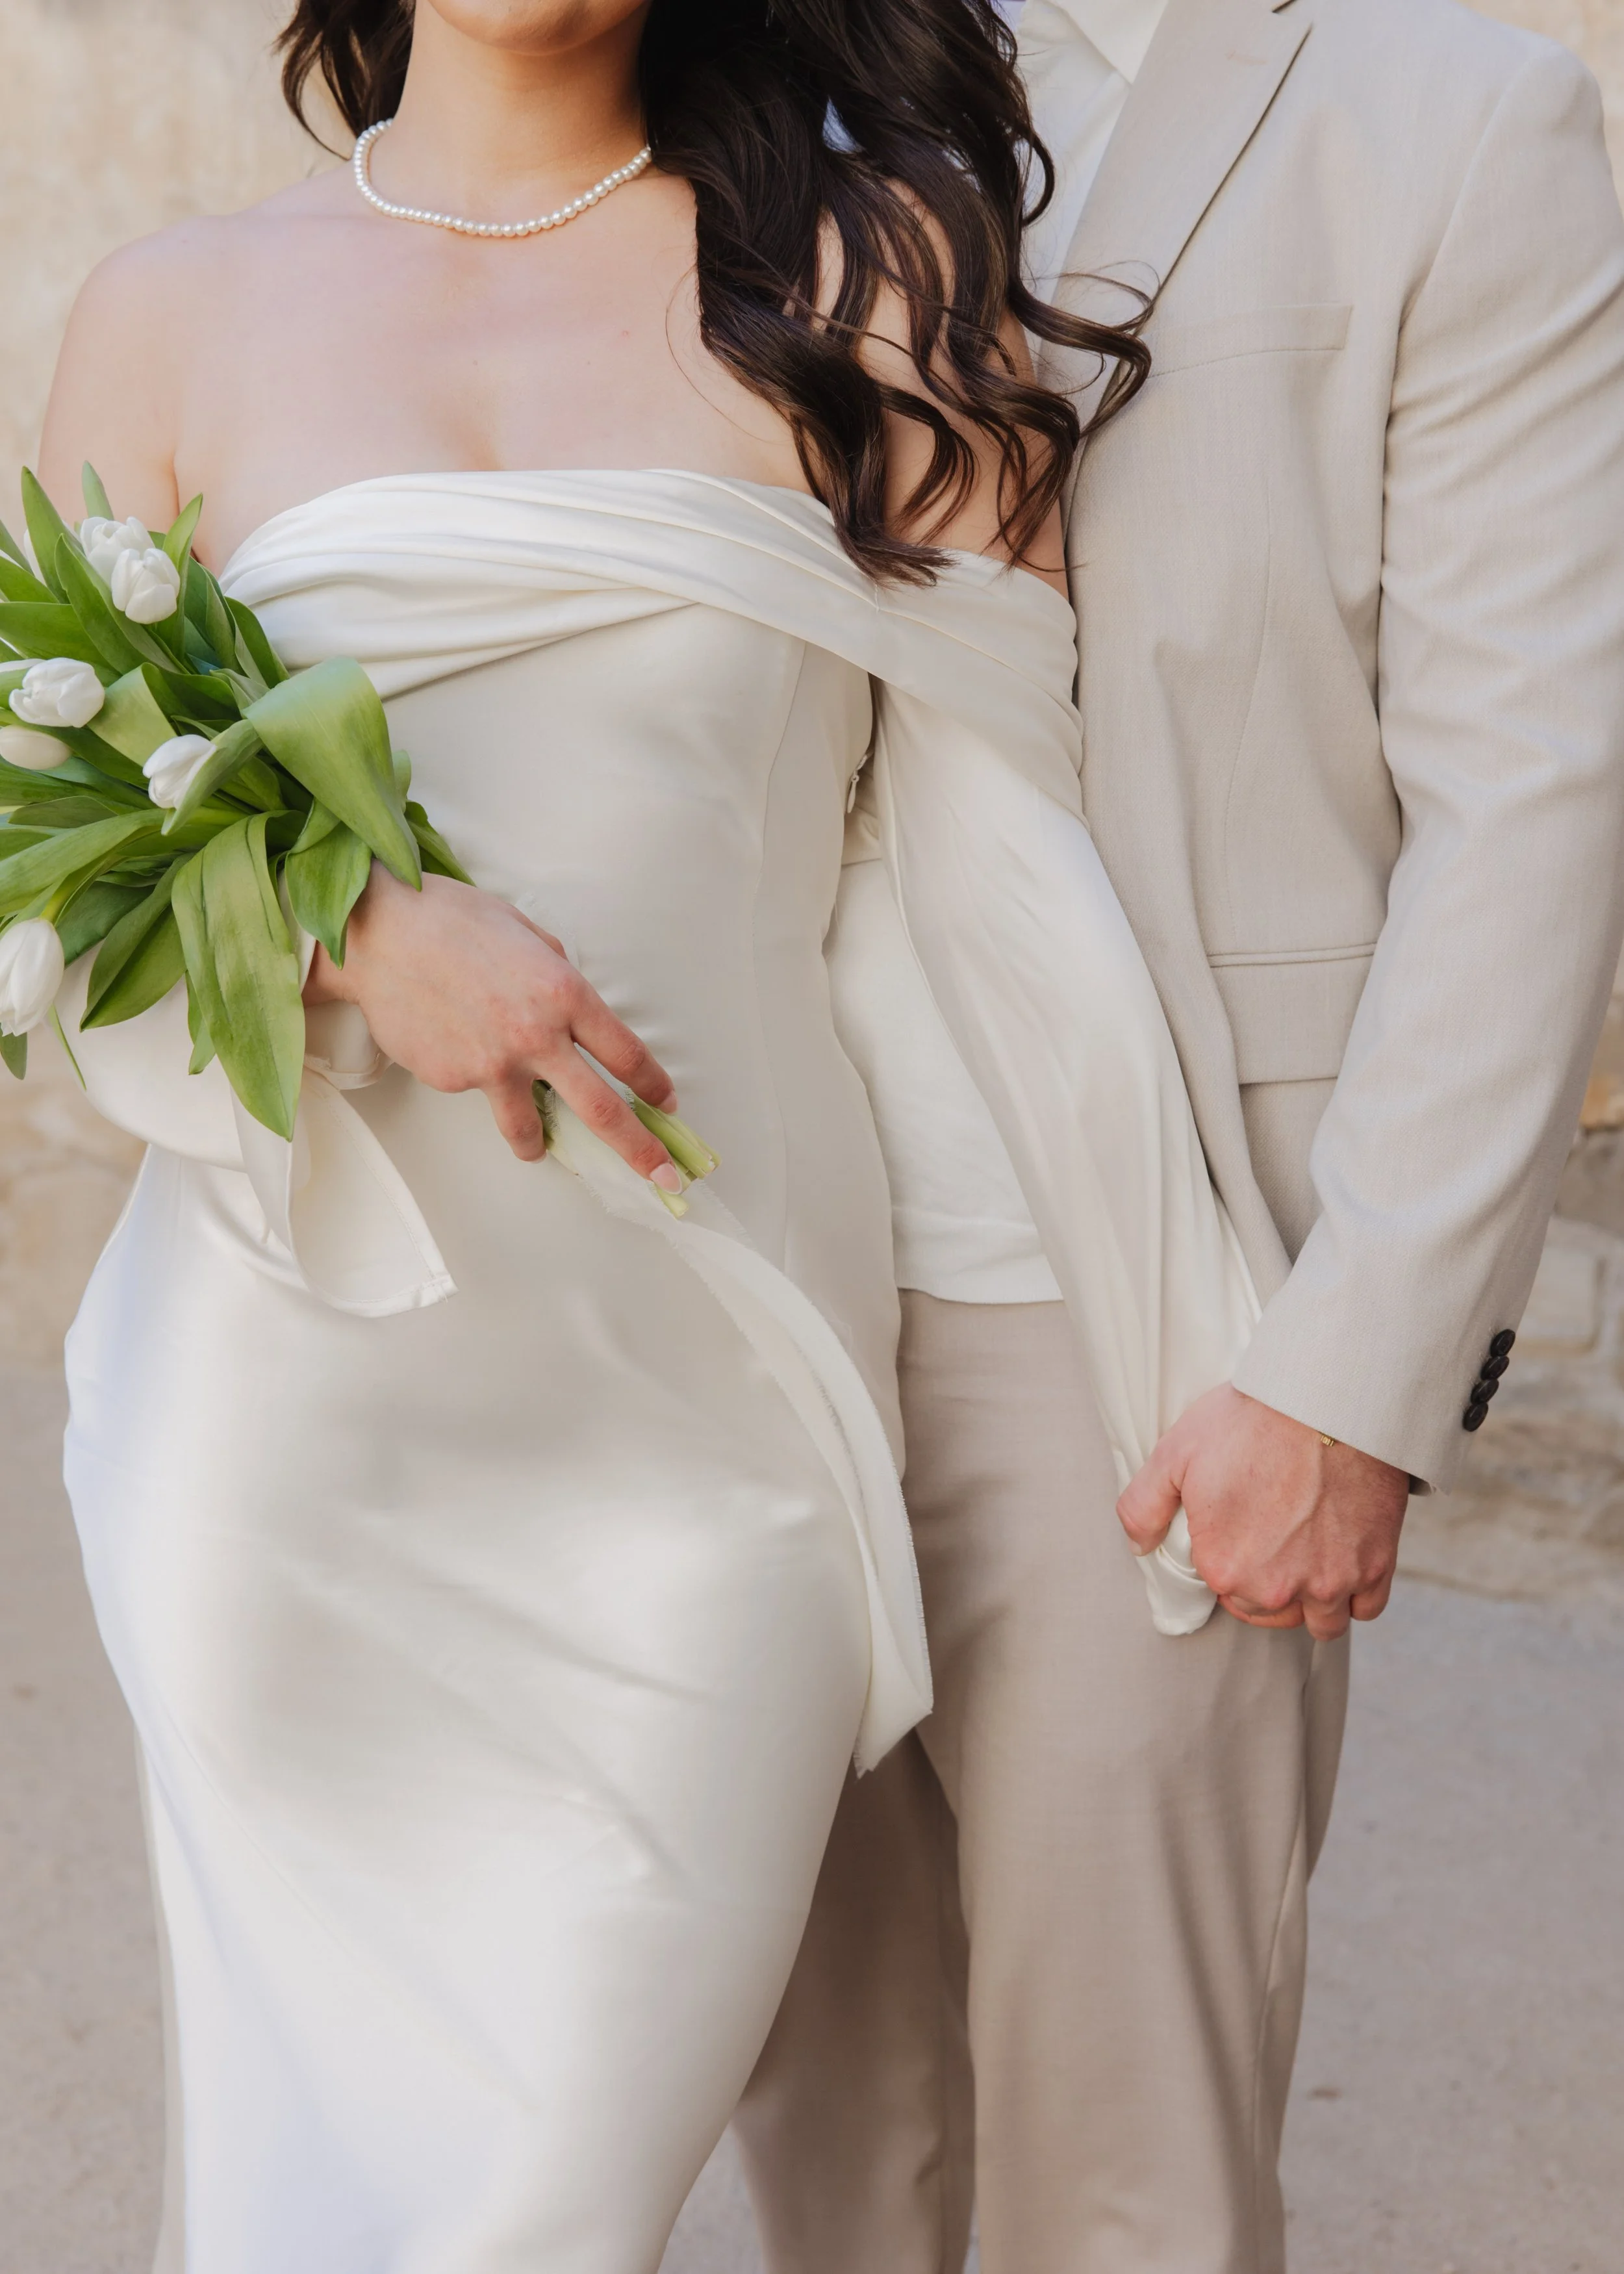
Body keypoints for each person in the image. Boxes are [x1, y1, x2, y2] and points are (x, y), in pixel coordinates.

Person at [38, 3, 1254, 2267]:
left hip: (707, 1415)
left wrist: (1193, 1296)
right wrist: (355, 930)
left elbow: (1005, 852)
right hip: (293, 1418)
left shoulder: (870, 281)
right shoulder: (171, 310)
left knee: (544, 2187)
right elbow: (48, 850)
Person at [736, 2, 1624, 2270]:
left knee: (1123, 2141)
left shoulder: (1453, 112)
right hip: (739, 1260)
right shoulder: (727, 65)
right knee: (827, 2119)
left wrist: (1350, 1370)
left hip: (1148, 1288)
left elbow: (1529, 796)